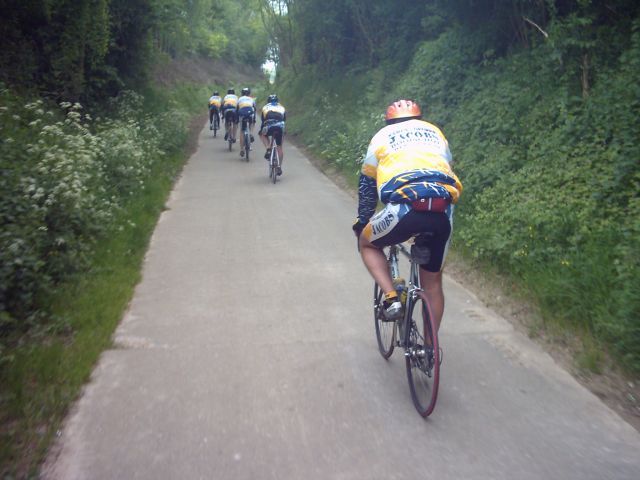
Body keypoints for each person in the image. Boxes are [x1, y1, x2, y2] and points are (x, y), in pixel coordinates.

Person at [352, 99, 462, 332]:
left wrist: (363, 221)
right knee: (432, 284)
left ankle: (392, 299)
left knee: (367, 244)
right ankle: (429, 350)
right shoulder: (435, 132)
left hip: (405, 207)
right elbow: (449, 165)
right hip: (442, 208)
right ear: (419, 119)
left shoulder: (382, 136)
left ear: (389, 120)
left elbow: (367, 184)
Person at [259, 94, 286, 175]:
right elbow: (284, 120)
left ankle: (268, 148)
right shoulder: (282, 107)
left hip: (269, 126)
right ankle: (279, 167)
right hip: (279, 127)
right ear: (277, 101)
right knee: (279, 147)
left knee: (262, 134)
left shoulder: (265, 107)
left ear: (268, 101)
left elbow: (263, 121)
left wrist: (262, 130)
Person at [237, 87, 257, 157]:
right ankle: (251, 133)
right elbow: (254, 108)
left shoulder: (239, 99)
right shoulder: (251, 99)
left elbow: (237, 109)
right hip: (250, 112)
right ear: (249, 93)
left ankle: (242, 150)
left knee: (242, 131)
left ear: (242, 93)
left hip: (242, 113)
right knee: (253, 122)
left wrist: (237, 119)